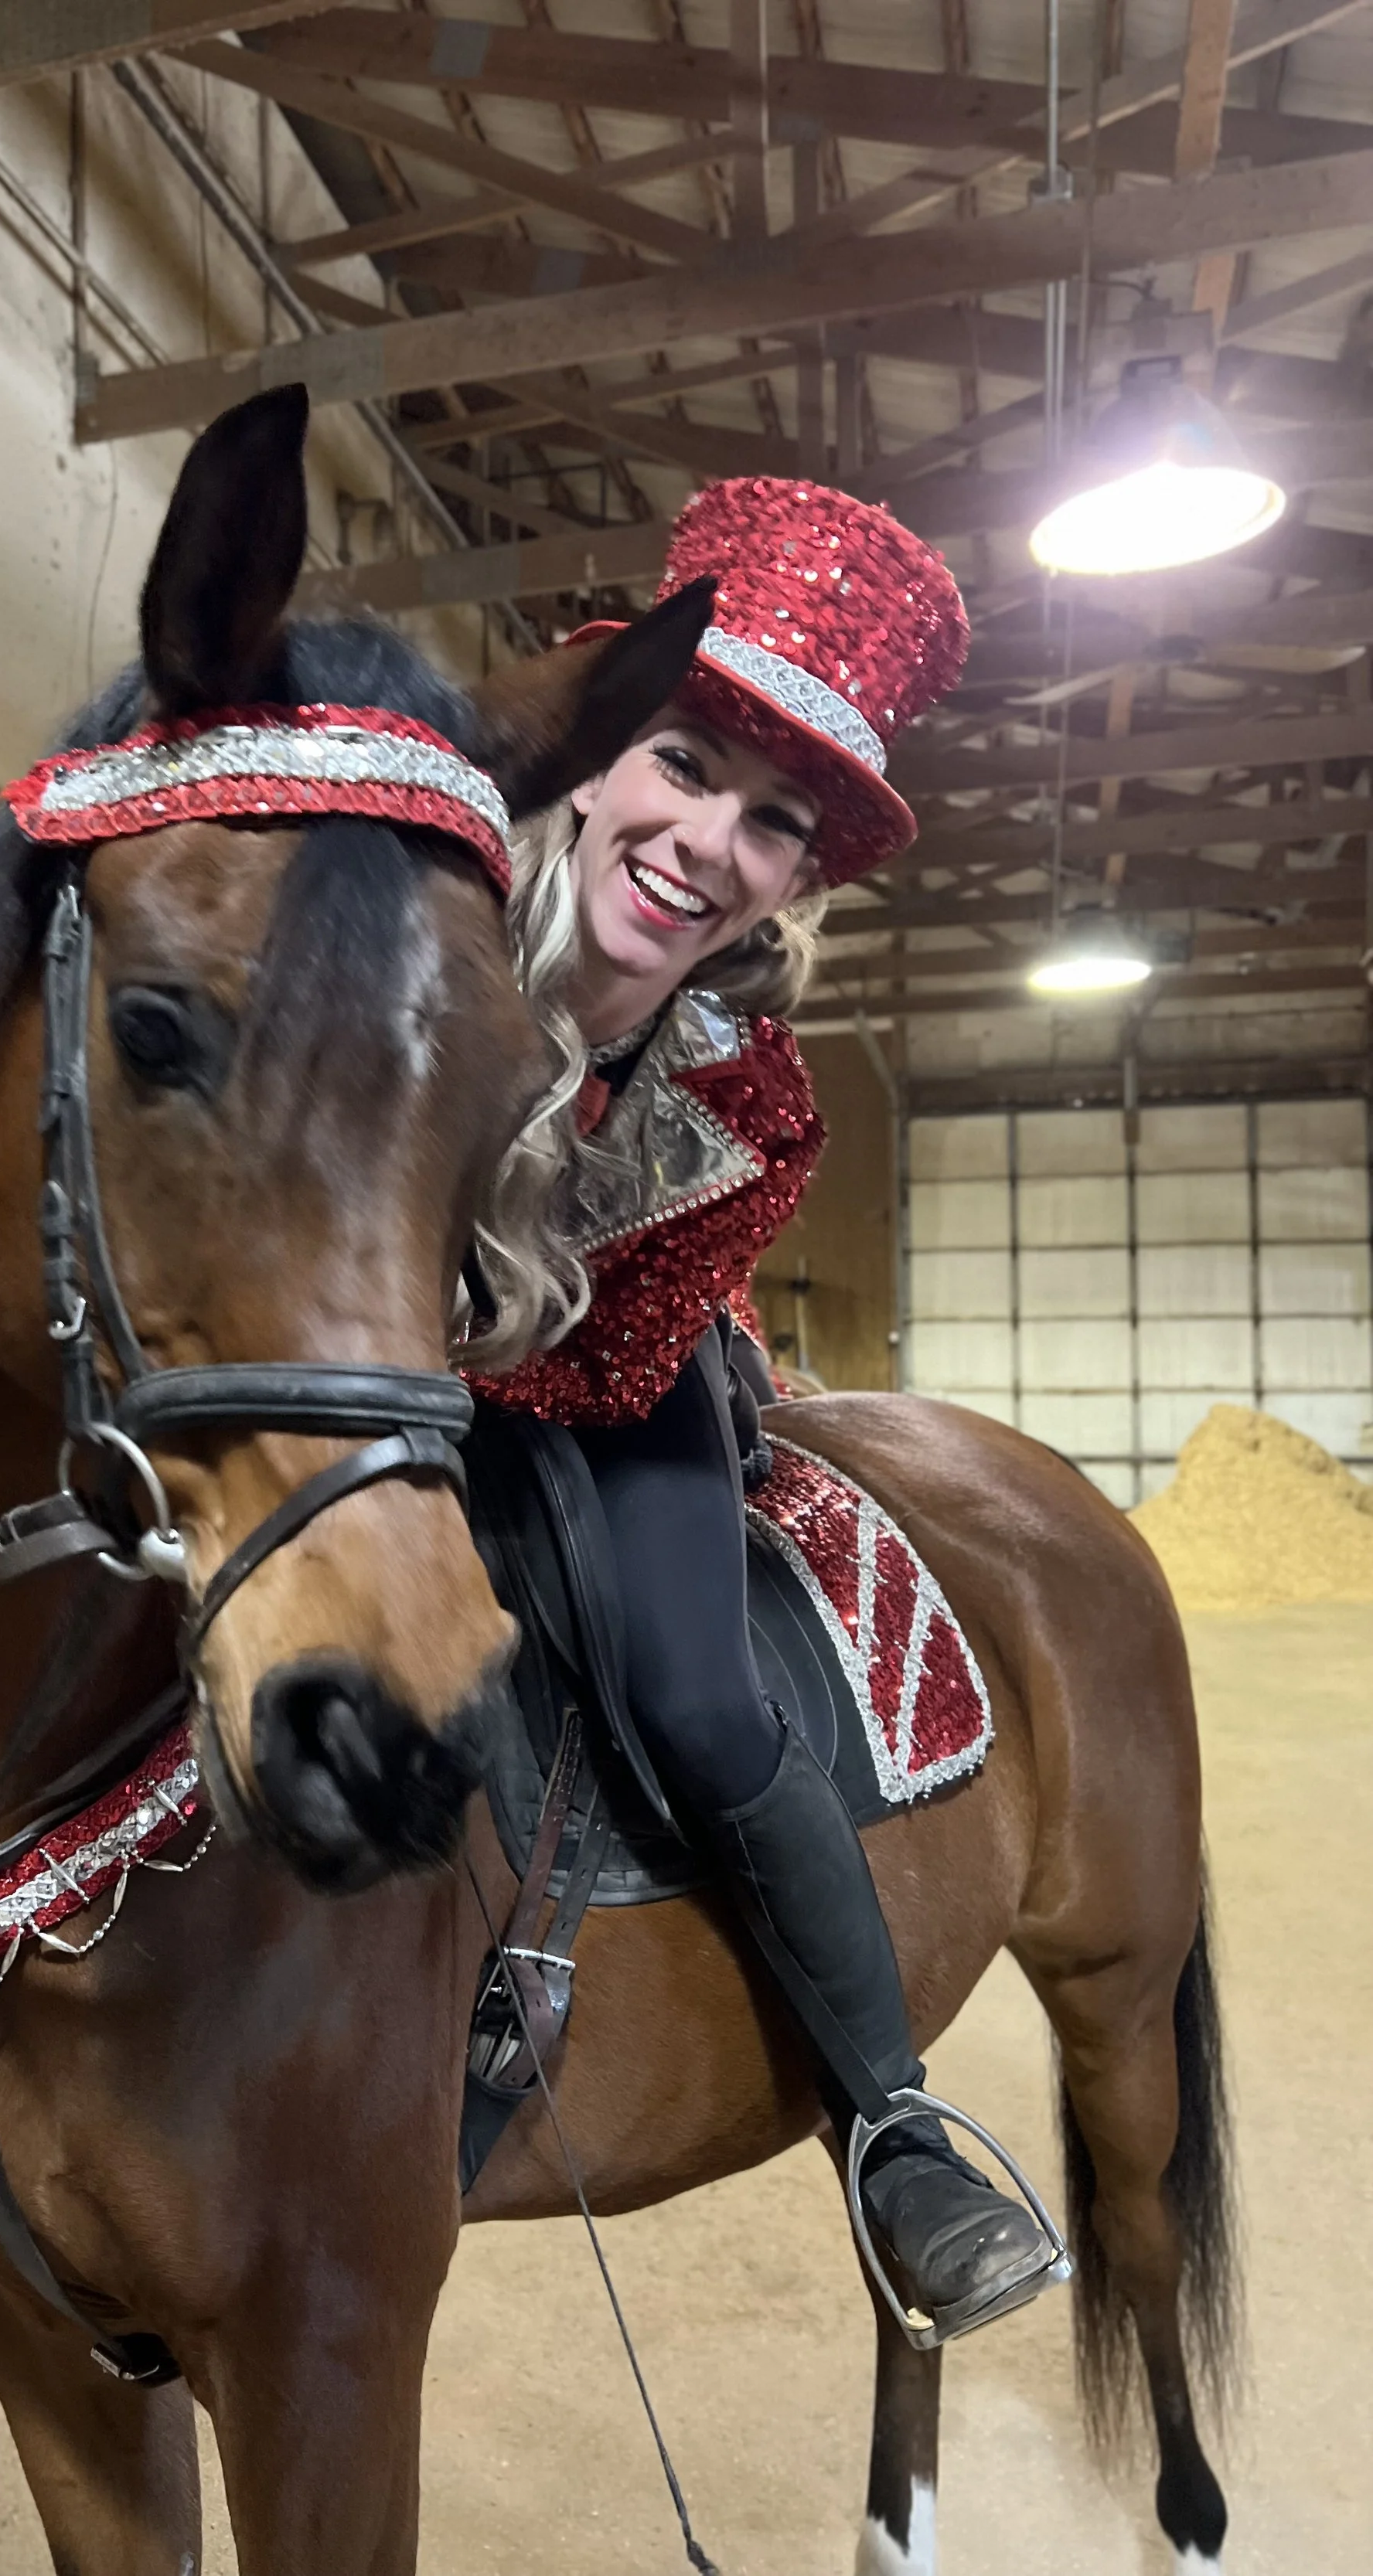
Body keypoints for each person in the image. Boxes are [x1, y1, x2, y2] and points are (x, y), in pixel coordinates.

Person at [463, 477, 1058, 2340]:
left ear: (796, 875)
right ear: (592, 749)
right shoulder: (415, 915)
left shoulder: (754, 1094)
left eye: (771, 819)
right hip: (348, 1349)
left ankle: (890, 2121)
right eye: (682, 762)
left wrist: (458, 1373)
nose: (705, 838)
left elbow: (606, 1350)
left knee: (702, 1694)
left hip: (600, 1380)